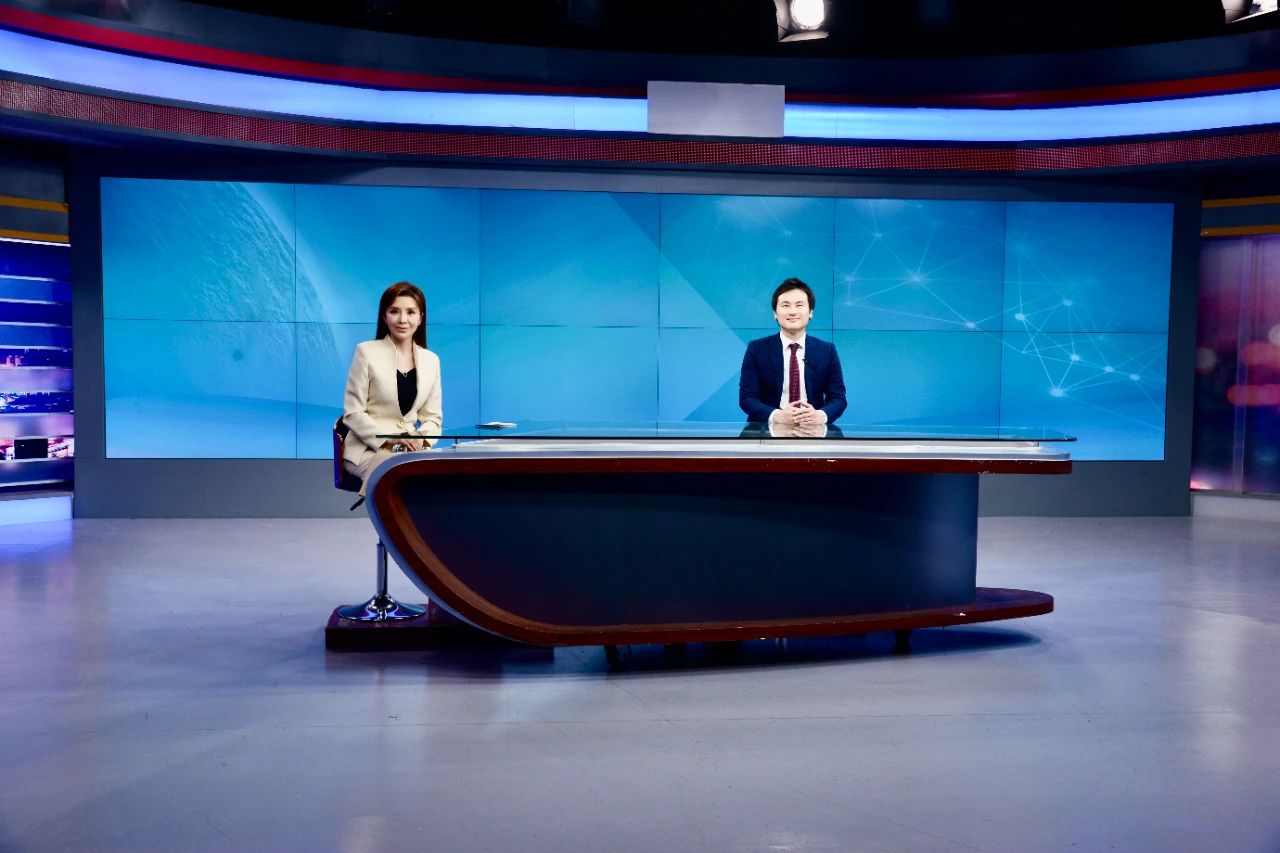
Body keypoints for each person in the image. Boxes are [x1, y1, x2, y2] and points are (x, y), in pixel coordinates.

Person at [342, 281, 442, 495]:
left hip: (407, 450)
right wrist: (390, 437)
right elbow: (353, 413)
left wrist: (420, 439)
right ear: (384, 316)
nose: (402, 319)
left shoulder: (431, 360)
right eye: (394, 311)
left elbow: (433, 418)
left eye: (410, 312)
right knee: (401, 478)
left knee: (437, 479)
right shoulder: (366, 352)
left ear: (420, 318)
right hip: (368, 449)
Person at [739, 277, 847, 426]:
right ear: (775, 313)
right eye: (785, 305)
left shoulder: (827, 350)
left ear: (810, 312)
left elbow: (838, 398)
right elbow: (747, 398)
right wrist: (777, 416)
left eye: (799, 305)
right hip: (766, 430)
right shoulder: (757, 349)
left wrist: (820, 416)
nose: (792, 311)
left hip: (812, 429)